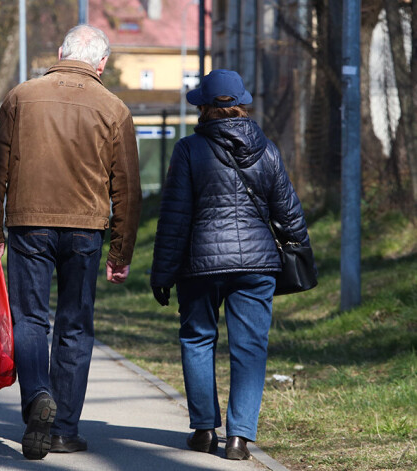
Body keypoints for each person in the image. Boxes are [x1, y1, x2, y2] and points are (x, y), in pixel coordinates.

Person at [0, 24, 142, 460]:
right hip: (86, 229)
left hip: (27, 223)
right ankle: (64, 429)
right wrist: (120, 250)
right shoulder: (114, 108)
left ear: (59, 52)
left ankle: (37, 400)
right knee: (74, 325)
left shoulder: (21, 97)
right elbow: (126, 185)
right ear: (102, 63)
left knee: (30, 319)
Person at [150, 69, 312, 460]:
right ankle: (239, 438)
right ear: (241, 104)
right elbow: (289, 214)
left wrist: (162, 272)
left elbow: (174, 218)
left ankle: (205, 430)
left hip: (199, 264)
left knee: (197, 339)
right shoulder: (268, 150)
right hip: (257, 266)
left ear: (204, 107)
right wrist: (301, 254)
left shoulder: (188, 150)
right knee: (251, 347)